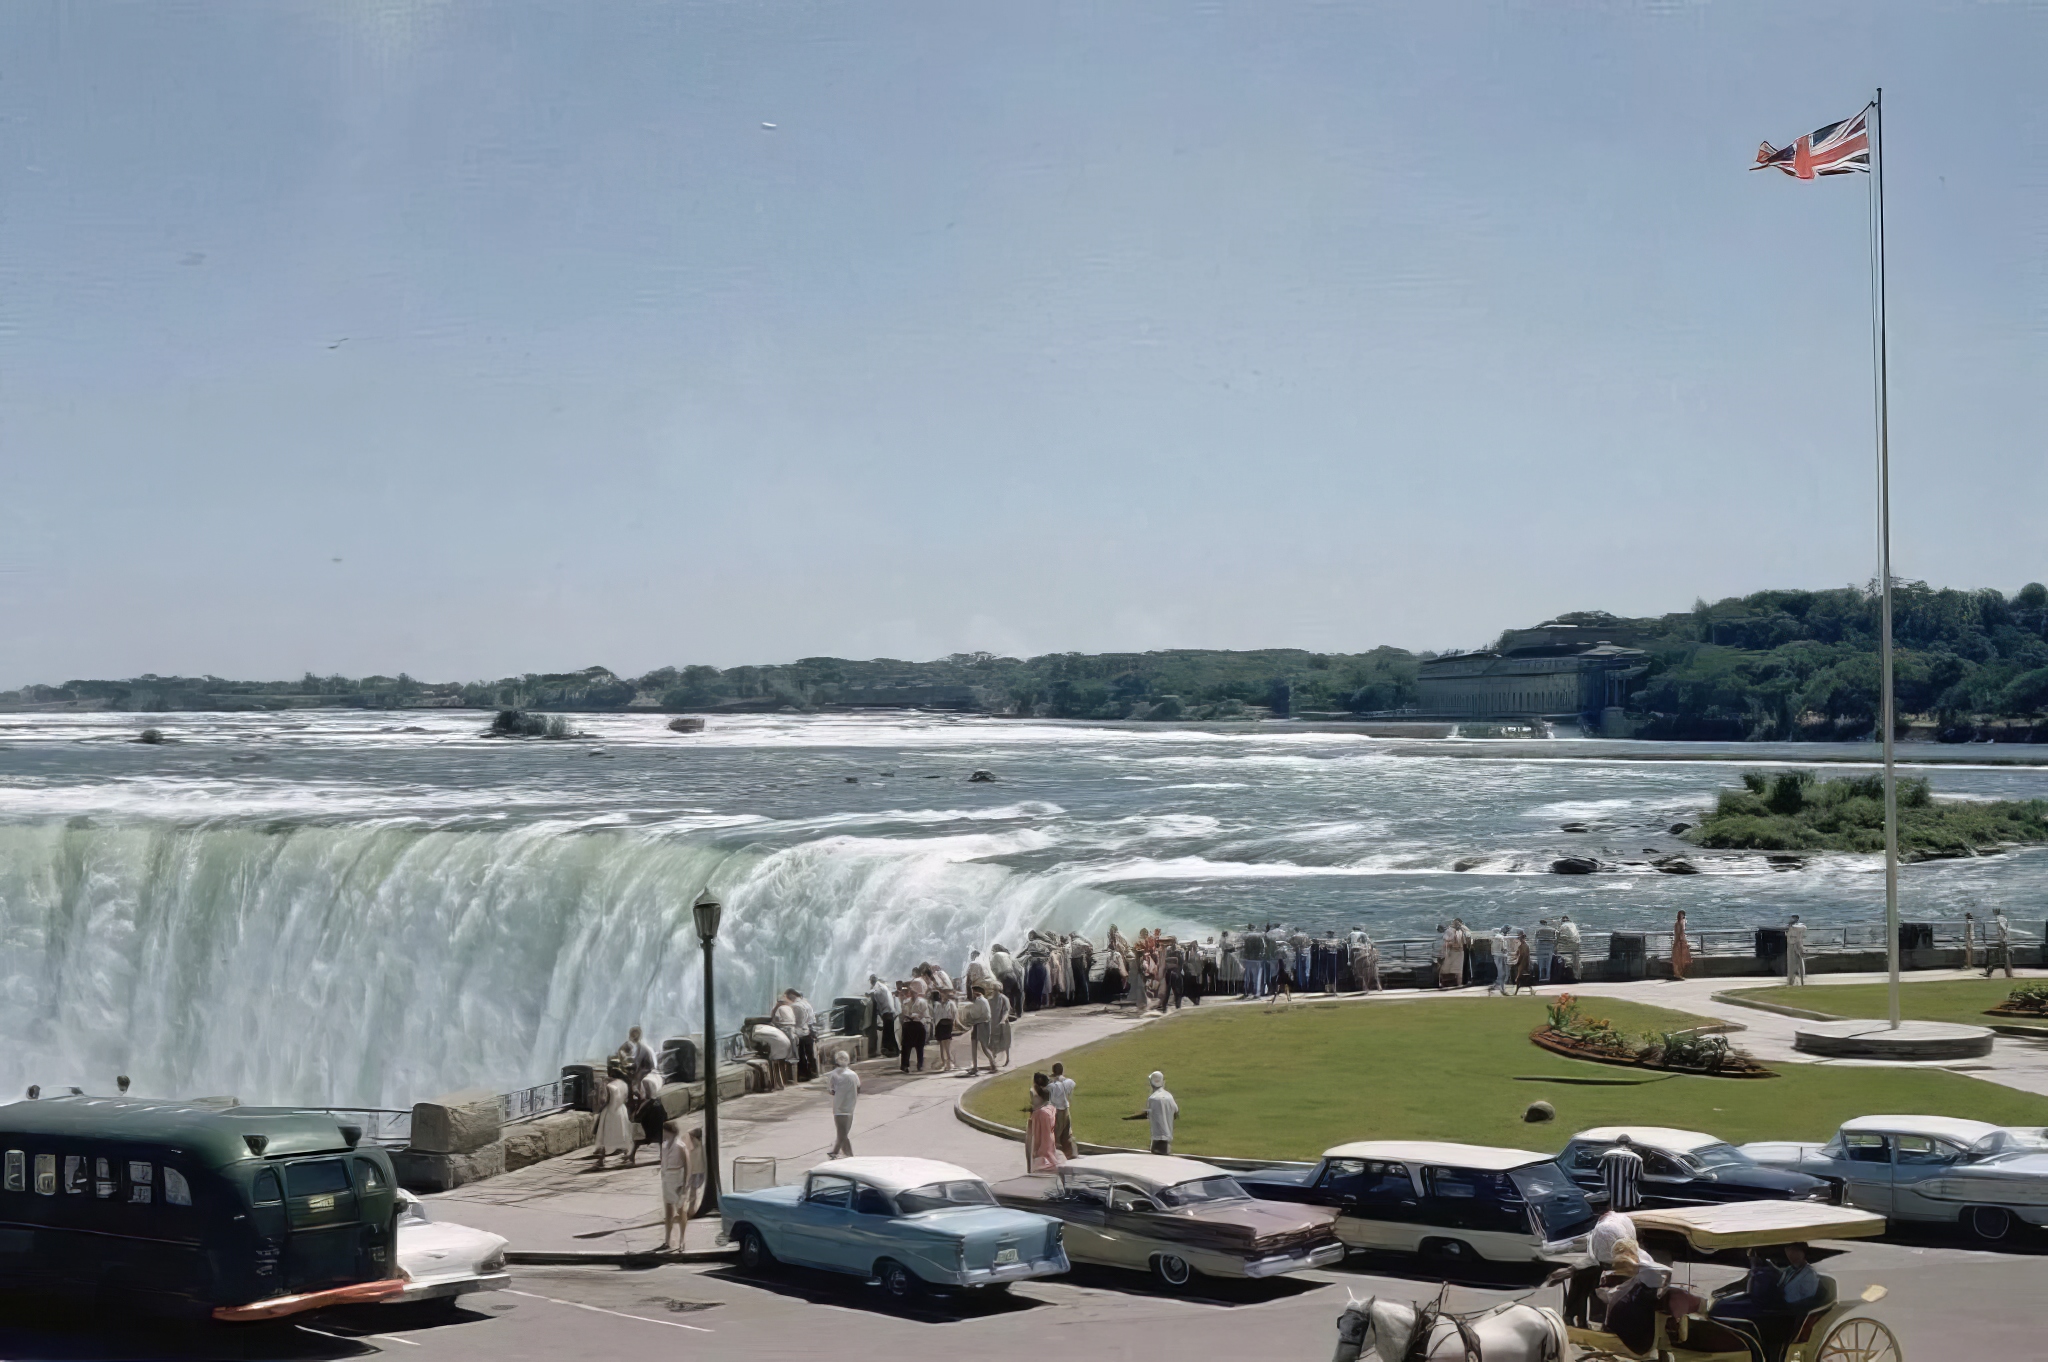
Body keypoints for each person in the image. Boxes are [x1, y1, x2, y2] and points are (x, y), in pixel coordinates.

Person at [1568, 1203, 1641, 1327]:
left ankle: (1578, 1319)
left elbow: (1595, 1256)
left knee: (1583, 1282)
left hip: (1606, 1264)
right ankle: (1594, 1319)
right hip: (1625, 1263)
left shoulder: (1601, 1227)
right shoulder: (1625, 1219)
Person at [658, 1118, 704, 1249]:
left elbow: (687, 1166)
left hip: (678, 1179)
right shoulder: (664, 1145)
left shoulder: (680, 1146)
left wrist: (685, 1185)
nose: (663, 1134)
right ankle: (667, 1240)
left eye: (665, 1131)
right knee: (668, 1211)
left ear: (670, 1132)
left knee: (680, 1211)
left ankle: (682, 1240)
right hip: (667, 1179)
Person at [1123, 1070, 1178, 1155]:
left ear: (1151, 1083)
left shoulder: (1153, 1099)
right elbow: (1175, 1113)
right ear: (1163, 1082)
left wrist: (1130, 1118)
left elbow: (1147, 1115)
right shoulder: (1169, 1096)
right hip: (1168, 1139)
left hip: (1158, 1139)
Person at [594, 1056, 632, 1170]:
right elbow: (626, 1098)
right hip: (622, 1110)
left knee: (605, 1135)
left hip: (610, 1111)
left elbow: (604, 1101)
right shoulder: (624, 1084)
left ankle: (601, 1159)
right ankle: (626, 1154)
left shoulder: (610, 1086)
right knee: (623, 1132)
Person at [826, 1050, 859, 1158]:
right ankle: (838, 1152)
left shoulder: (834, 1074)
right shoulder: (854, 1075)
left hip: (839, 1107)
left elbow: (831, 1090)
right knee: (843, 1132)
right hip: (850, 1107)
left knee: (842, 1132)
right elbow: (858, 1087)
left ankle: (845, 1154)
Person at [1600, 1134, 1645, 1212]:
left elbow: (1599, 1170)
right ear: (1629, 1144)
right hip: (1629, 1199)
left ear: (1618, 1143)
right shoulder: (1637, 1158)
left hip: (1611, 1195)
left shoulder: (1607, 1155)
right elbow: (1640, 1177)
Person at [1027, 1074, 1060, 1172]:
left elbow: (1036, 1139)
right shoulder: (1051, 1109)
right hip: (1050, 1154)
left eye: (1033, 1097)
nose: (1031, 1101)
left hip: (1043, 1160)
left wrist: (1036, 1156)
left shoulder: (1040, 1114)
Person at [787, 990, 818, 1083]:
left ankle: (804, 1075)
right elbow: (812, 1019)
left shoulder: (795, 1006)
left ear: (791, 996)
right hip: (809, 1030)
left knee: (801, 1054)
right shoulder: (806, 1003)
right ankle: (814, 1072)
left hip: (800, 1032)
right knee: (810, 1053)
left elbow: (796, 1021)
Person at [1048, 1061, 1077, 1159]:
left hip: (1057, 1111)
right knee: (1068, 1133)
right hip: (1066, 1110)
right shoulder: (1069, 1082)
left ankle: (1058, 1157)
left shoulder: (1053, 1085)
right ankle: (1071, 1153)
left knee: (1057, 1134)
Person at [750, 1020, 791, 1090]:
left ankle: (776, 1085)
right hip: (786, 1042)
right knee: (780, 1064)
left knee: (774, 1065)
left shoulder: (755, 1034)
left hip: (778, 1045)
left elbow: (760, 1045)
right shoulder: (764, 1028)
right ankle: (782, 1083)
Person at [898, 985, 929, 1073]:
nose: (912, 994)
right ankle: (904, 1065)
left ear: (917, 993)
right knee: (906, 1047)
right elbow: (903, 1013)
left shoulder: (922, 1002)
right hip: (908, 1025)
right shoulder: (905, 1002)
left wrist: (919, 1018)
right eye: (911, 992)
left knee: (919, 1047)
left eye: (914, 992)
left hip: (918, 1024)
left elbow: (925, 1015)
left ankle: (920, 1064)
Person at [963, 985, 993, 1075]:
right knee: (974, 1044)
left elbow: (975, 1014)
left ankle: (992, 1064)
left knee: (984, 1046)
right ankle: (975, 1066)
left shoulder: (980, 1001)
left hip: (982, 1024)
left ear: (976, 992)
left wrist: (969, 1017)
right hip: (979, 1024)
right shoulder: (982, 1001)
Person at [868, 974, 898, 1058]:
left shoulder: (878, 988)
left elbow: (878, 1001)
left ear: (871, 981)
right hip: (890, 1011)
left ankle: (891, 1051)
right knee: (889, 1032)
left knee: (888, 1033)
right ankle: (893, 1050)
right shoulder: (883, 986)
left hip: (887, 1012)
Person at [1440, 918, 1471, 989]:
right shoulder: (1449, 931)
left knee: (1458, 970)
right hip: (1451, 951)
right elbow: (1445, 942)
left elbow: (1468, 936)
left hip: (1460, 951)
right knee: (1445, 969)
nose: (1457, 924)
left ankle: (1459, 984)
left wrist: (1463, 927)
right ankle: (1443, 983)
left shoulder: (1462, 931)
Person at [931, 989, 958, 1071]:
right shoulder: (938, 1005)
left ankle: (949, 1062)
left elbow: (954, 1014)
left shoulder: (951, 1004)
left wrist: (954, 1023)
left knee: (947, 1044)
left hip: (947, 1024)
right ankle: (943, 1061)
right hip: (940, 1025)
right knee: (942, 1044)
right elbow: (935, 1015)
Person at [989, 981, 1014, 1067]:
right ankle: (993, 1059)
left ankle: (1007, 1058)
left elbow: (1006, 1010)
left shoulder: (1004, 999)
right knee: (993, 1042)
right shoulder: (990, 1000)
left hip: (1003, 1024)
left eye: (995, 989)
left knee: (1005, 1041)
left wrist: (1003, 1020)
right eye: (993, 990)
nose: (994, 991)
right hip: (993, 1023)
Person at [1984, 908, 2014, 978]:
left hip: (2002, 940)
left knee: (1996, 958)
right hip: (2003, 940)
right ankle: (2008, 973)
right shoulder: (2003, 918)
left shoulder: (1999, 919)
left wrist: (2003, 939)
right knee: (2004, 958)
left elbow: (2003, 928)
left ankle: (1990, 972)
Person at [1509, 931, 1535, 995]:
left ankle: (1516, 991)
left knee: (1518, 977)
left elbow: (1522, 955)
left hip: (1523, 962)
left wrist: (1518, 962)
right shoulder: (1523, 945)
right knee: (1518, 977)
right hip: (1523, 962)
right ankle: (1516, 990)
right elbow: (1518, 954)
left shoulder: (1523, 946)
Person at [1556, 914, 1582, 981]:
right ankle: (1577, 976)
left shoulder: (1562, 926)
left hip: (1566, 944)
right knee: (1576, 960)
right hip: (1576, 943)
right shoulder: (1573, 925)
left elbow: (1559, 936)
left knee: (1561, 956)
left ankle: (1561, 975)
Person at [1785, 914, 1808, 986]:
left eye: (1794, 918)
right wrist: (1789, 927)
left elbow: (1804, 928)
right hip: (1790, 946)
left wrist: (1792, 926)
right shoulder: (1788, 926)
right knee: (1790, 964)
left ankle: (1802, 980)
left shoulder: (1800, 925)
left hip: (1798, 945)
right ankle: (1791, 981)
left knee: (1800, 963)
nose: (1792, 919)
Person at [1669, 911, 1692, 982]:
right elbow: (1680, 934)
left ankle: (1678, 973)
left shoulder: (1678, 923)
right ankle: (1678, 974)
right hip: (1680, 943)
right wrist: (1684, 942)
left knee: (1679, 958)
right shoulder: (1680, 924)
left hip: (1679, 942)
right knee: (1679, 958)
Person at [1534, 918, 1557, 982]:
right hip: (1549, 947)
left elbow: (1535, 941)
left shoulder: (1538, 930)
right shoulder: (1553, 930)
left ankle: (1541, 977)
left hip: (1540, 948)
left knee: (1541, 964)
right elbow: (1555, 940)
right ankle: (1548, 977)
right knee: (1548, 963)